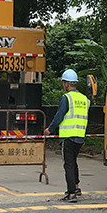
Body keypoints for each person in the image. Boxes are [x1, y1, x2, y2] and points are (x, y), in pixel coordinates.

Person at [45, 69, 89, 202]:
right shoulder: (84, 99)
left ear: (66, 83)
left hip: (68, 136)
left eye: (63, 83)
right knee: (73, 162)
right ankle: (76, 187)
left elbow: (59, 115)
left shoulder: (66, 98)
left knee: (68, 164)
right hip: (80, 136)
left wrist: (50, 129)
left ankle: (71, 193)